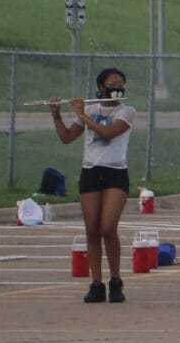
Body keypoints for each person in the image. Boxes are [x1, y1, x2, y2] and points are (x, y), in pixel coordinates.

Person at [51, 68, 135, 304]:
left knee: (108, 227)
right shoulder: (89, 109)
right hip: (90, 172)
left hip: (115, 172)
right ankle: (96, 283)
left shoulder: (126, 111)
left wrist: (81, 114)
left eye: (120, 83)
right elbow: (67, 137)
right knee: (92, 229)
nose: (116, 87)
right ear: (101, 87)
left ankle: (116, 280)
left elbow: (108, 133)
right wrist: (57, 115)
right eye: (111, 83)